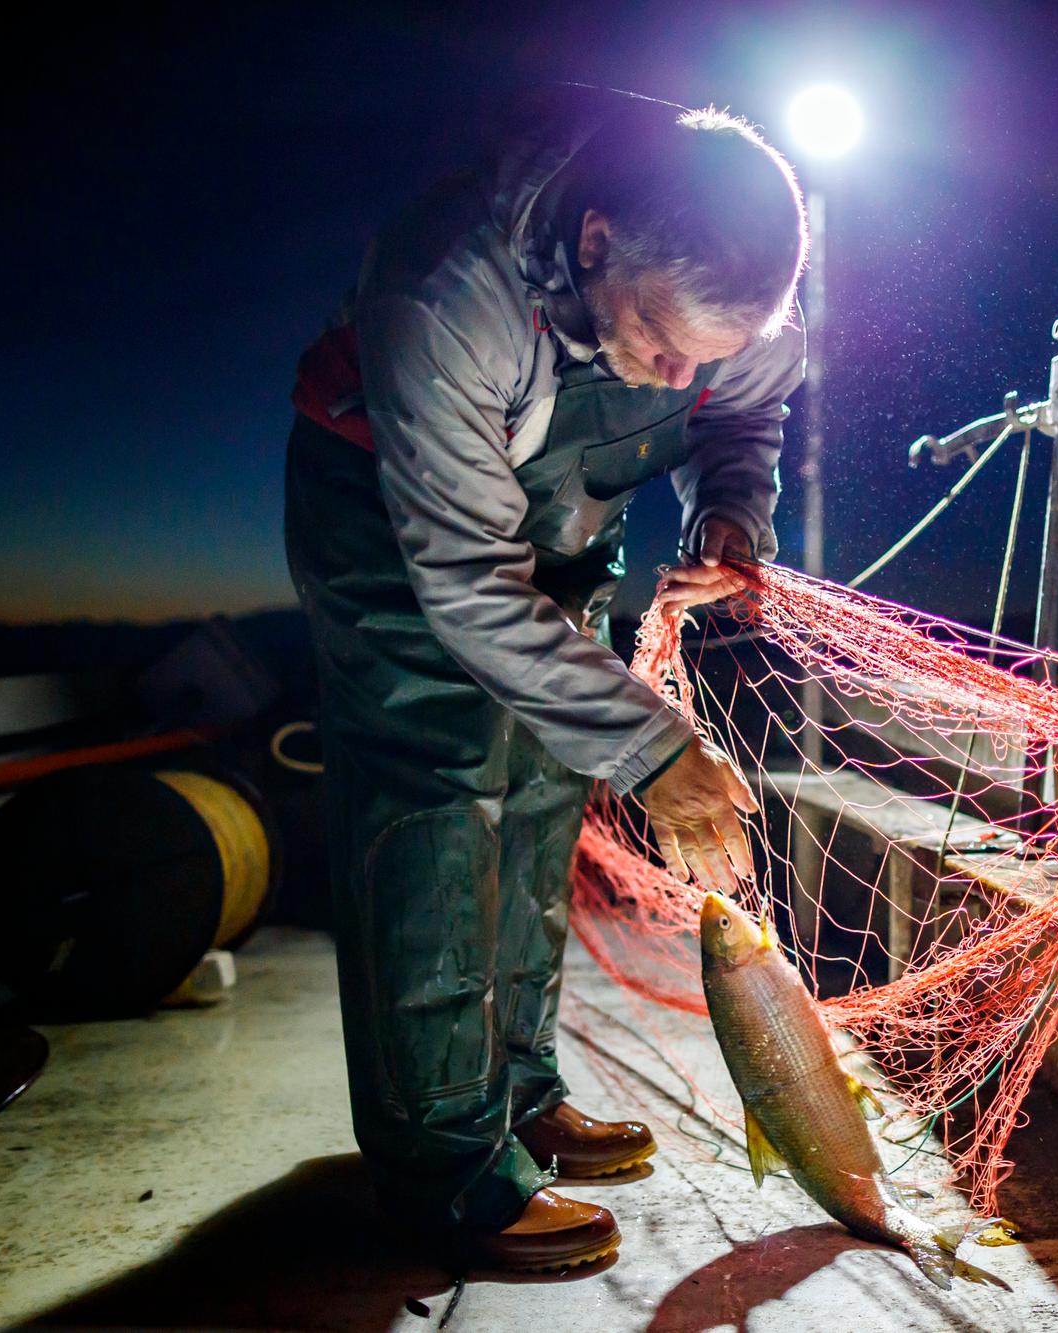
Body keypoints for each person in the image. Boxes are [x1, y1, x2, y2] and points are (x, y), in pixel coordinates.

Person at [283, 84, 806, 1272]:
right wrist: (657, 746)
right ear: (593, 242)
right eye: (661, 345)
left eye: (703, 360)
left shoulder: (747, 310)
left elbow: (748, 413)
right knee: (435, 795)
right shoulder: (445, 291)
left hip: (563, 518)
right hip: (395, 520)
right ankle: (444, 1169)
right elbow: (465, 583)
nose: (678, 379)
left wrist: (731, 513)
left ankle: (516, 1096)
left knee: (534, 796)